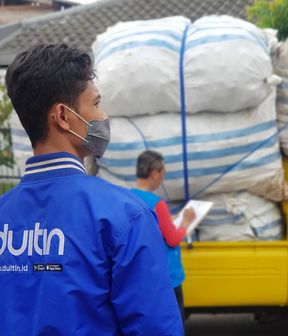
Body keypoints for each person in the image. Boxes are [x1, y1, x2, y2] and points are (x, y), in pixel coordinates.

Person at [0, 44, 183, 336]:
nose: (103, 115)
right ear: (62, 116)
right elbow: (156, 328)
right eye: (96, 104)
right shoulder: (125, 215)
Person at [131, 150, 196, 323]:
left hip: (142, 274)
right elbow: (173, 239)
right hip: (167, 277)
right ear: (155, 173)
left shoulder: (129, 197)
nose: (163, 178)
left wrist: (169, 219)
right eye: (163, 173)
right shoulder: (157, 203)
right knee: (172, 324)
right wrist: (186, 222)